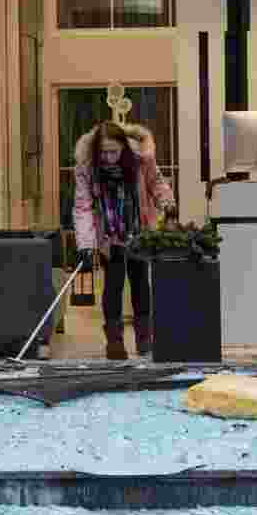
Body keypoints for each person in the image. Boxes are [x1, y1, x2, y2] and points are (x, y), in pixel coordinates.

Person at [72, 121, 176, 360]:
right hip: (110, 236)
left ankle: (144, 339)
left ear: (124, 149)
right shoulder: (88, 169)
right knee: (113, 285)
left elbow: (156, 183)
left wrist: (167, 204)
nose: (109, 158)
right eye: (104, 153)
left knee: (140, 283)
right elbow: (83, 207)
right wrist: (86, 244)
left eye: (114, 152)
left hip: (138, 230)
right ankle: (115, 341)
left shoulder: (141, 161)